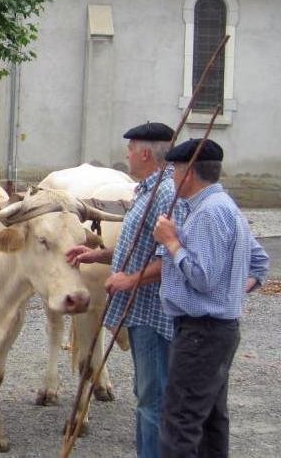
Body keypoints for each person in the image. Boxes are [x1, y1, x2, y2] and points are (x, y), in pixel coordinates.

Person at [66, 122, 185, 458]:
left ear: (145, 154)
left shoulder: (165, 194)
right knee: (146, 394)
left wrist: (130, 280)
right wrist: (98, 255)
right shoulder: (146, 190)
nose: (127, 155)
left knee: (153, 399)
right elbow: (139, 248)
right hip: (140, 313)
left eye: (130, 149)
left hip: (154, 316)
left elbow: (172, 257)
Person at [153, 138, 270, 458]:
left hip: (201, 332)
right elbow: (259, 262)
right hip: (217, 329)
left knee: (181, 421)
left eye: (175, 170)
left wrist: (171, 242)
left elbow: (203, 278)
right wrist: (229, 294)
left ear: (189, 173)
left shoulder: (208, 213)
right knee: (210, 420)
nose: (172, 177)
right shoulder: (225, 206)